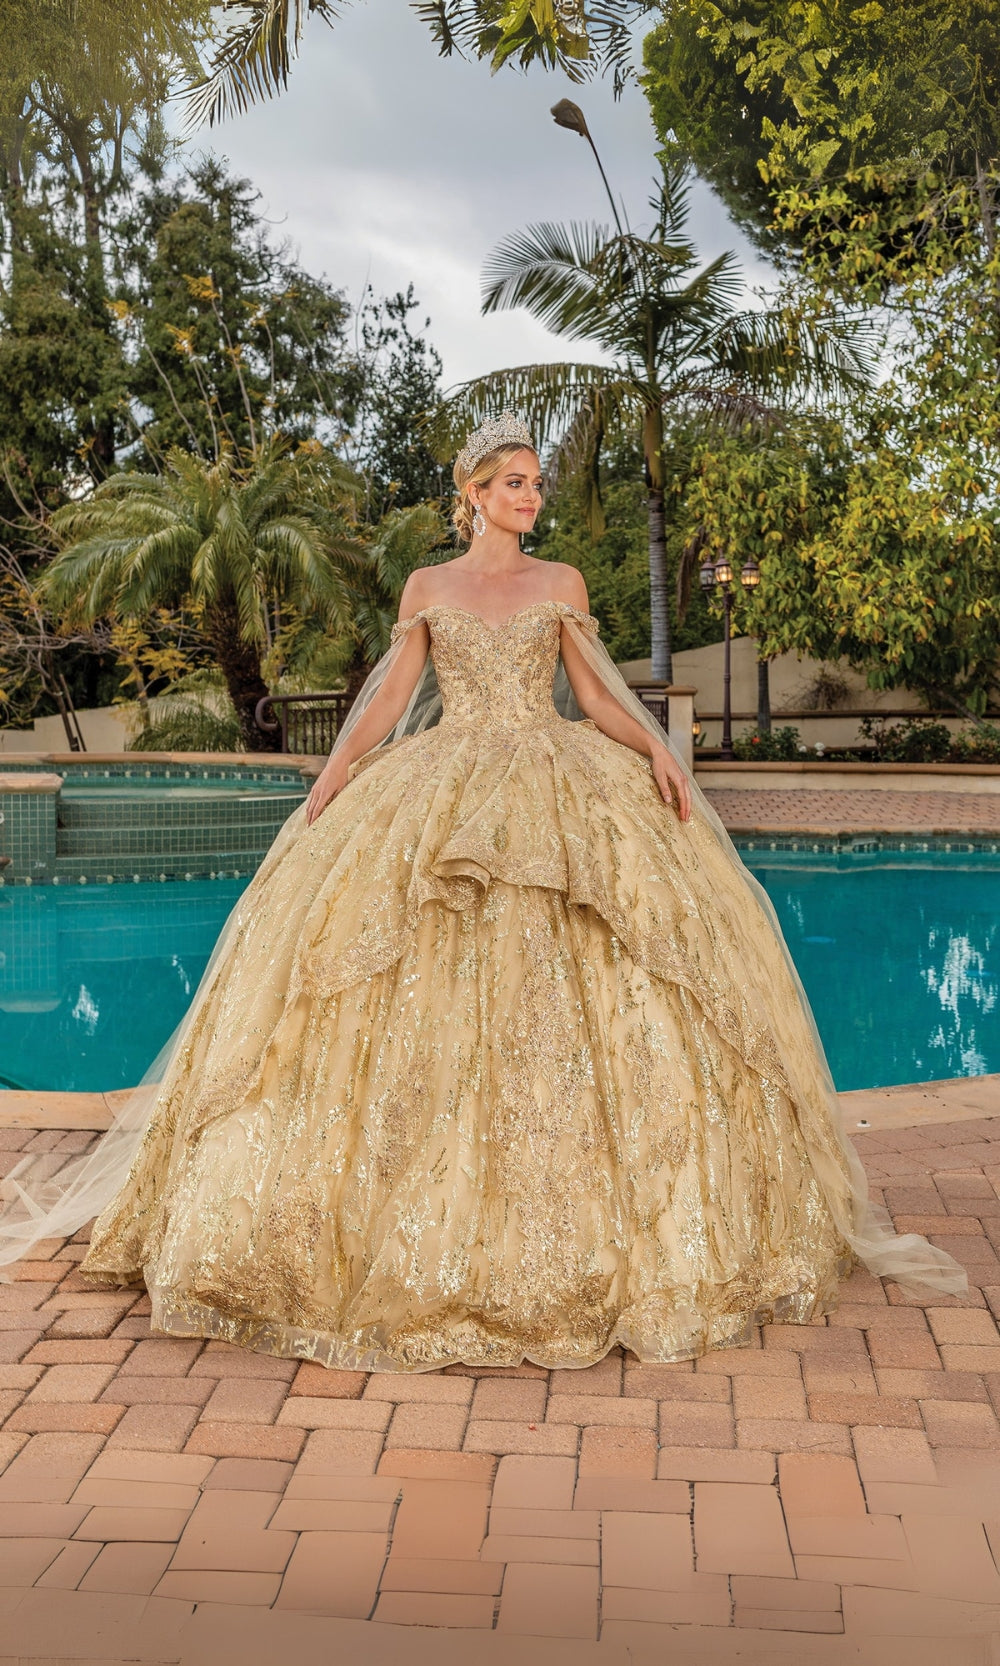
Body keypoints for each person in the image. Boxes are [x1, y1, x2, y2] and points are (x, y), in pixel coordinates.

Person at [0, 412, 966, 1371]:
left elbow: (593, 695)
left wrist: (662, 757)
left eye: (537, 484)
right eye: (515, 484)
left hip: (557, 782)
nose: (532, 497)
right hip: (443, 782)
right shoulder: (430, 587)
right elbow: (388, 696)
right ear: (472, 495)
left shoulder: (562, 585)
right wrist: (335, 771)